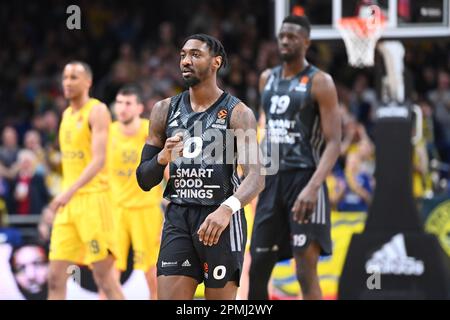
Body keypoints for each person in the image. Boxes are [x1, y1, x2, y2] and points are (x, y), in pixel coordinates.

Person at [136, 34, 264, 300]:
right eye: (183, 55)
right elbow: (144, 179)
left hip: (220, 220)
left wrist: (227, 209)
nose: (186, 60)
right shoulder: (163, 110)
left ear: (216, 62)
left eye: (195, 54)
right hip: (179, 217)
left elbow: (256, 177)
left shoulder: (238, 113)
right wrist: (162, 157)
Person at [248, 15, 341, 300]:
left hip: (305, 179)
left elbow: (334, 142)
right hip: (271, 180)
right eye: (282, 36)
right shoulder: (267, 78)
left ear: (307, 42)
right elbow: (267, 128)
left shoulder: (320, 82)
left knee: (305, 271)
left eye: (292, 36)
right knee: (257, 268)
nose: (285, 41)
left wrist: (313, 188)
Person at [46, 61, 124, 300]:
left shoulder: (97, 110)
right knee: (55, 278)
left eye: (73, 77)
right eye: (65, 77)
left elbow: (98, 160)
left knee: (104, 279)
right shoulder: (66, 115)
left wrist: (66, 192)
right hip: (68, 207)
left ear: (88, 82)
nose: (67, 82)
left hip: (93, 202)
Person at [108, 85, 163, 299]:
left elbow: (166, 168)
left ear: (139, 107)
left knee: (152, 270)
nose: (122, 108)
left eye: (128, 103)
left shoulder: (150, 131)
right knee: (109, 269)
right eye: (119, 102)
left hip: (146, 209)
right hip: (116, 209)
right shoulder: (108, 132)